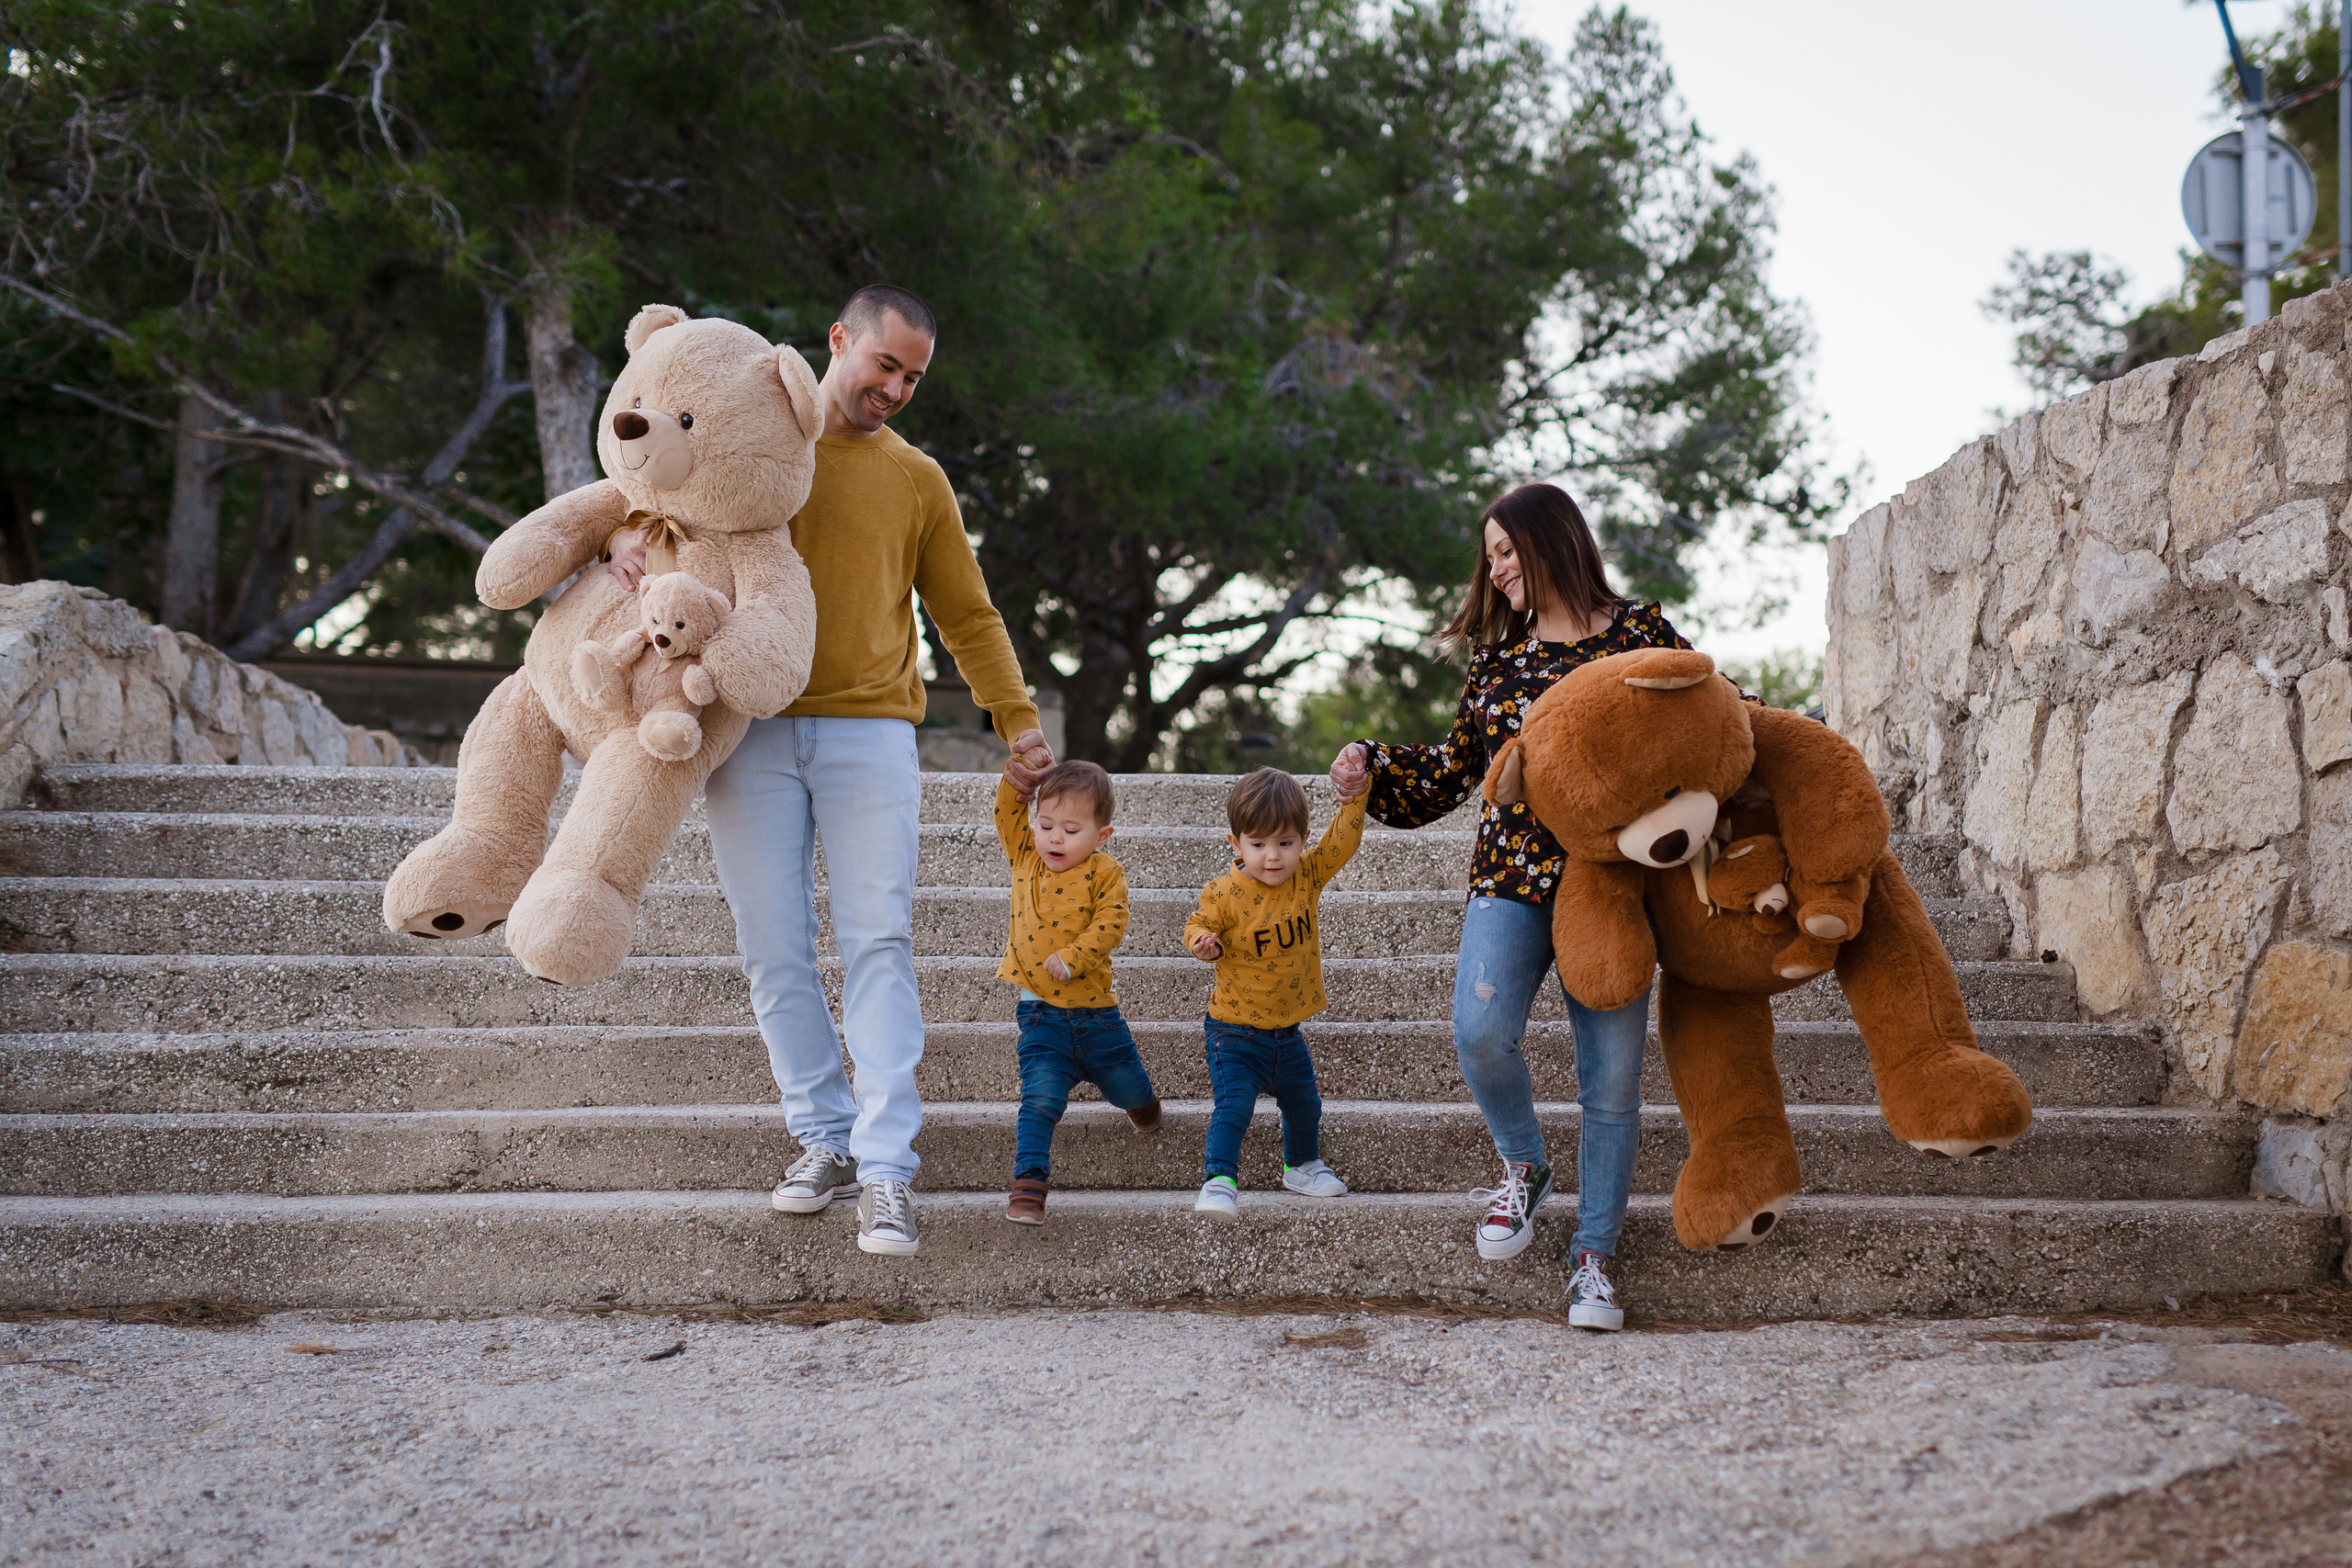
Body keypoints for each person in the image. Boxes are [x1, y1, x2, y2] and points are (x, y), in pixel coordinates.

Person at [612, 285, 1053, 1258]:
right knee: (771, 947)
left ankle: (888, 1168)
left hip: (870, 735)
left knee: (877, 945)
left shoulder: (918, 479)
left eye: (913, 377)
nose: (895, 387)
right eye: (884, 364)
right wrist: (624, 540)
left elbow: (967, 614)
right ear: (839, 341)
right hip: (746, 730)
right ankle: (821, 1138)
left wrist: (1015, 719)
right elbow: (655, 495)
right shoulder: (755, 445)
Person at [1328, 481, 1695, 1333]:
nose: (1494, 571)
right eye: (1487, 556)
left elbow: (1712, 711)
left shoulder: (1639, 634)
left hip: (1612, 883)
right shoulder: (1496, 664)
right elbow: (1455, 771)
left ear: (1552, 539)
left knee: (1611, 1081)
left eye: (1505, 550)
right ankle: (1524, 1165)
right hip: (1511, 877)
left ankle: (1594, 1259)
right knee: (1478, 1029)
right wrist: (1372, 761)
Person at [1182, 768, 1365, 1221]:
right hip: (1234, 1032)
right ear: (1236, 844)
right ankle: (1219, 1180)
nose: (1272, 857)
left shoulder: (1307, 876)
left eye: (1285, 843)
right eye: (1258, 844)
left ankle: (1301, 1165)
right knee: (1235, 1105)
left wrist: (1355, 800)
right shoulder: (1224, 893)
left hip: (1287, 1031)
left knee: (1305, 1103)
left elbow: (1342, 843)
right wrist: (1203, 945)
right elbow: (1196, 925)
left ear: (1302, 839)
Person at [993, 758, 1161, 1224]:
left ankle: (1144, 1104)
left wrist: (1073, 956)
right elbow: (1007, 814)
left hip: (1097, 1018)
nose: (1055, 838)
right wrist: (1016, 782)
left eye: (1070, 829)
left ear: (1101, 835)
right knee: (1040, 1099)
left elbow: (1112, 922)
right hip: (1041, 1016)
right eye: (1046, 825)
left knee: (1127, 1087)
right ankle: (1028, 1186)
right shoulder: (1025, 855)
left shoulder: (1105, 872)